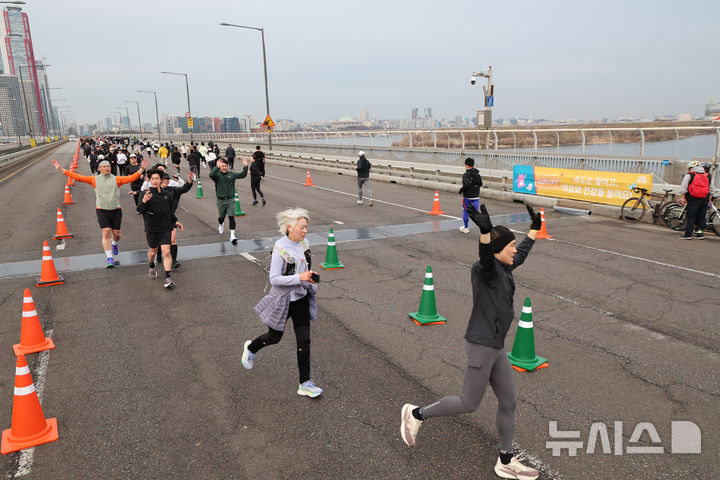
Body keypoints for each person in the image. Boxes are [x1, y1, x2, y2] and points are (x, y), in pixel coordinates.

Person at [400, 203, 542, 480]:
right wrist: (485, 233)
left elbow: (522, 253)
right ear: (498, 249)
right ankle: (416, 414)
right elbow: (486, 256)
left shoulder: (506, 266)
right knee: (468, 402)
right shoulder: (485, 270)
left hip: (496, 347)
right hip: (481, 346)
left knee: (509, 402)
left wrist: (534, 230)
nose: (515, 250)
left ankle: (505, 460)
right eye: (511, 246)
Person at [241, 207, 323, 398]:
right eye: (302, 227)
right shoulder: (280, 248)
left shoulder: (304, 243)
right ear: (290, 227)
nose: (305, 231)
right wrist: (299, 277)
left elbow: (303, 268)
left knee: (304, 340)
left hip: (301, 298)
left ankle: (305, 383)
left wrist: (309, 277)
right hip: (283, 301)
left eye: (306, 227)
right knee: (274, 337)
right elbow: (274, 279)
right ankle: (251, 348)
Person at [51, 157, 147, 267]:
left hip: (116, 210)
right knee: (106, 232)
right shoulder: (94, 179)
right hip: (101, 210)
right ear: (99, 168)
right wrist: (61, 169)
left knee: (116, 235)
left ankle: (114, 243)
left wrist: (142, 169)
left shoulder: (116, 179)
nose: (107, 168)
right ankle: (109, 258)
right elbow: (78, 177)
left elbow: (131, 178)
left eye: (108, 166)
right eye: (104, 167)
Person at [137, 169, 183, 288]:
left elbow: (169, 211)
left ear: (161, 180)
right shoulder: (145, 193)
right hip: (152, 227)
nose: (155, 181)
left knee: (166, 252)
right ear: (149, 180)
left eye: (157, 178)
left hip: (165, 226)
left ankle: (168, 278)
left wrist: (176, 221)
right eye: (153, 179)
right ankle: (151, 264)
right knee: (153, 252)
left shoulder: (167, 194)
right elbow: (140, 210)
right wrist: (144, 201)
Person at [209, 157, 248, 244]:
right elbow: (211, 175)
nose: (224, 167)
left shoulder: (232, 174)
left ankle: (232, 235)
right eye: (222, 166)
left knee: (231, 217)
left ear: (227, 166)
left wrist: (245, 167)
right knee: (221, 218)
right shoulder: (217, 176)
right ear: (220, 167)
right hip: (221, 201)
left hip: (230, 200)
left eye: (225, 166)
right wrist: (216, 167)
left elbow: (242, 175)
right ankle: (221, 224)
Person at [160, 171, 194, 268]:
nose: (166, 181)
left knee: (172, 240)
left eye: (167, 179)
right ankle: (158, 254)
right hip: (158, 219)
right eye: (164, 179)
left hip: (171, 218)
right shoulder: (156, 191)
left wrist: (189, 180)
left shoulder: (173, 190)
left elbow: (184, 188)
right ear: (160, 180)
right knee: (159, 243)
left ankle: (174, 261)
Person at [679, 160, 715, 239]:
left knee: (691, 216)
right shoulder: (708, 176)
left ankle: (688, 234)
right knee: (702, 216)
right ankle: (700, 234)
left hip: (693, 199)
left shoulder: (689, 175)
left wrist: (684, 198)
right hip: (705, 199)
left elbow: (683, 189)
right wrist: (709, 199)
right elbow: (712, 190)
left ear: (690, 168)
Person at [458, 157, 483, 233]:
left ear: (466, 165)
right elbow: (480, 184)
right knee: (476, 213)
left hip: (467, 197)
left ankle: (466, 228)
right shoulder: (477, 174)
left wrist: (461, 190)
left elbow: (466, 184)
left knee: (466, 211)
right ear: (473, 165)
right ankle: (483, 228)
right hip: (476, 196)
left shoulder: (466, 174)